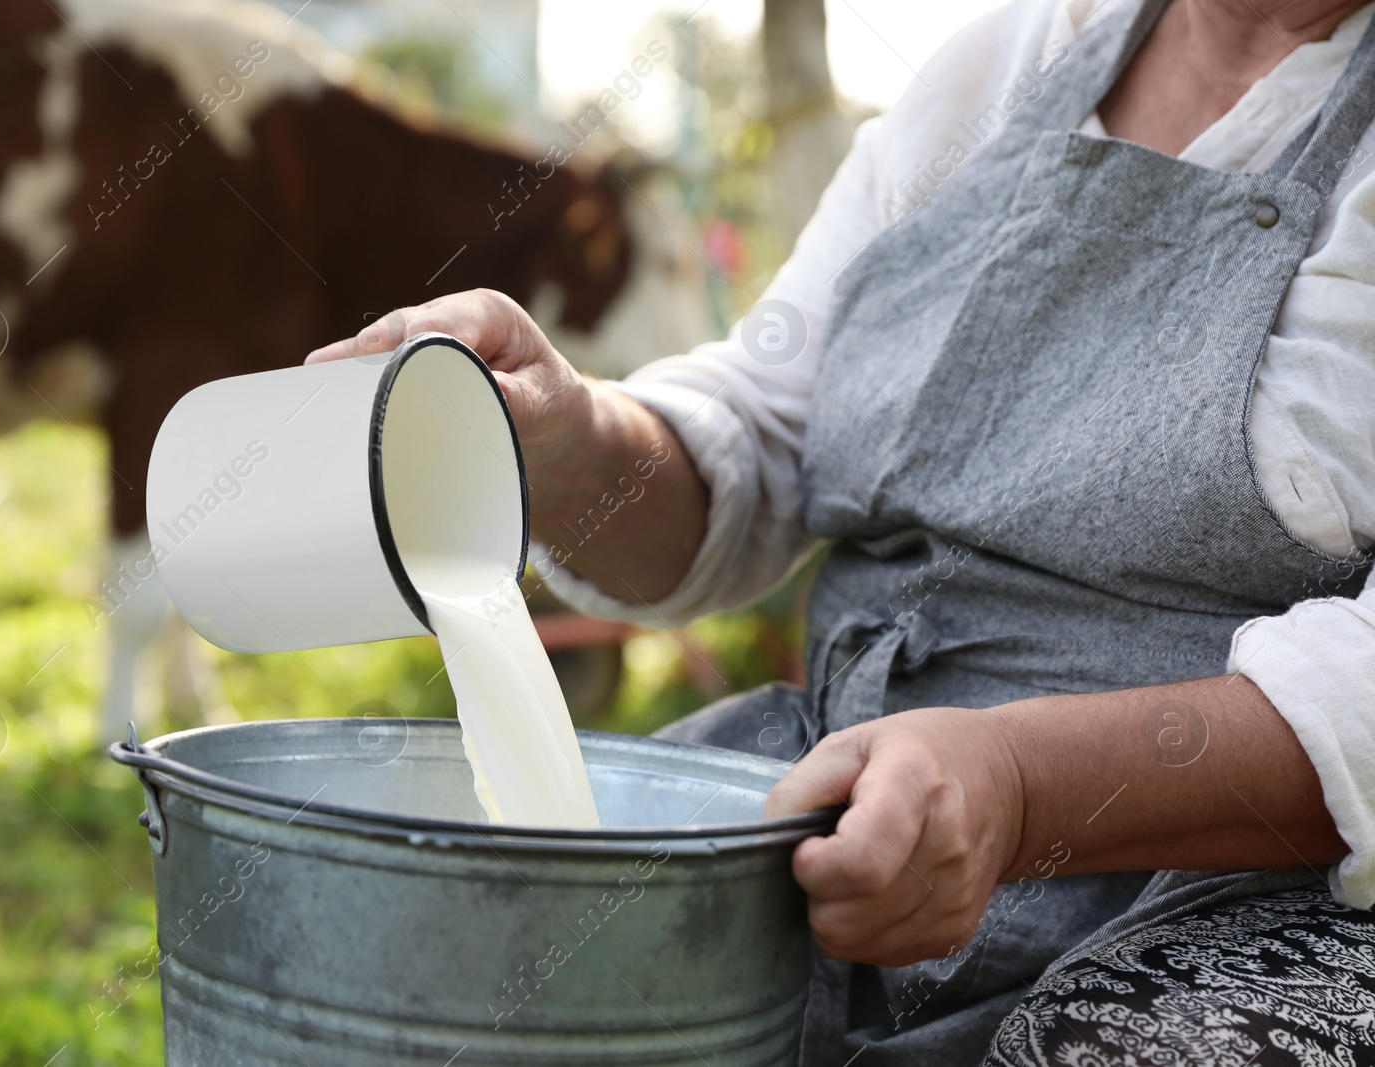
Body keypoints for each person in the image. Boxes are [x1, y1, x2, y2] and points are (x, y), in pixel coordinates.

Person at [309, 0, 1375, 1060]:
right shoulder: (1004, 66)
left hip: (1242, 887)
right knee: (435, 957)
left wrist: (1012, 781)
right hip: (836, 794)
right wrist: (571, 440)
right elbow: (768, 429)